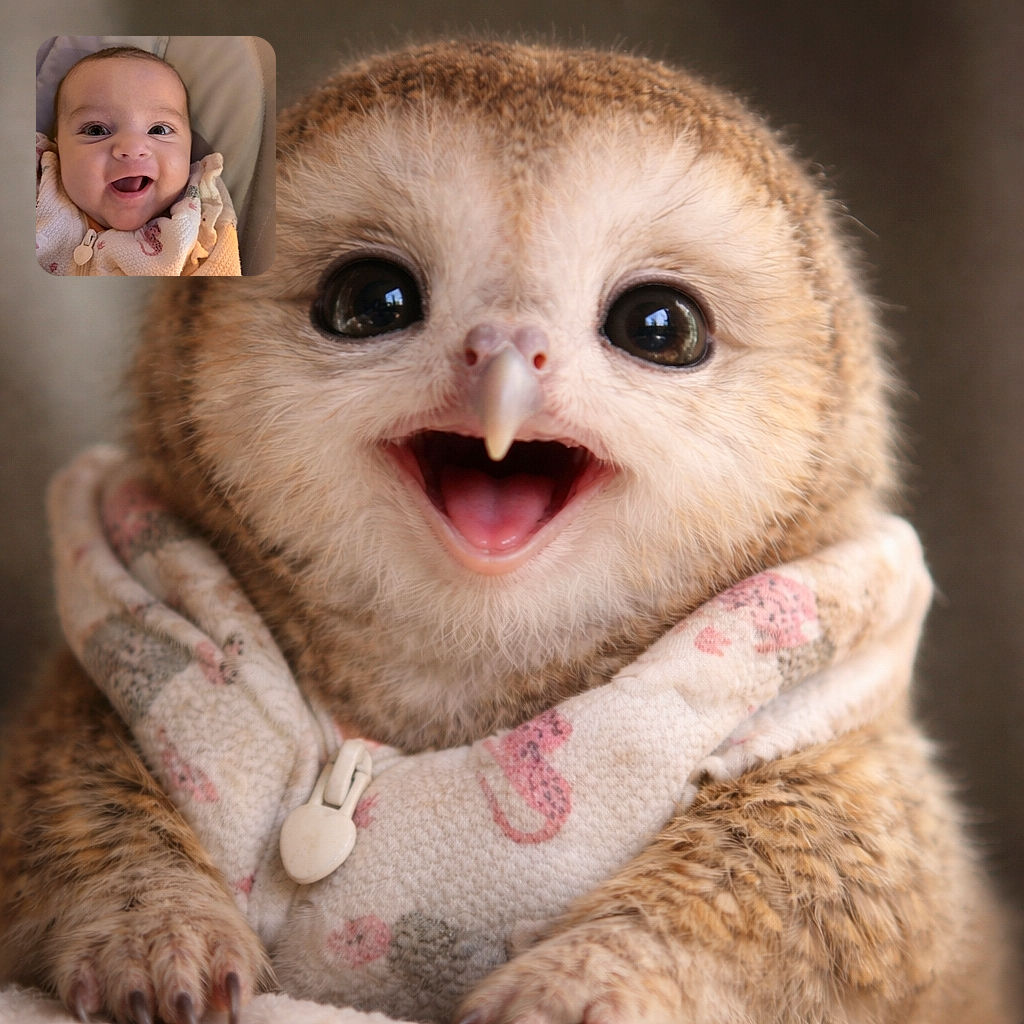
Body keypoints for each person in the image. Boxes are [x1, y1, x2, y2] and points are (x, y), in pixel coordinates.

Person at [36, 46, 241, 276]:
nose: (132, 149)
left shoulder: (201, 219)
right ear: (59, 146)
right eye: (96, 130)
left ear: (189, 147)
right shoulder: (37, 183)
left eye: (159, 130)